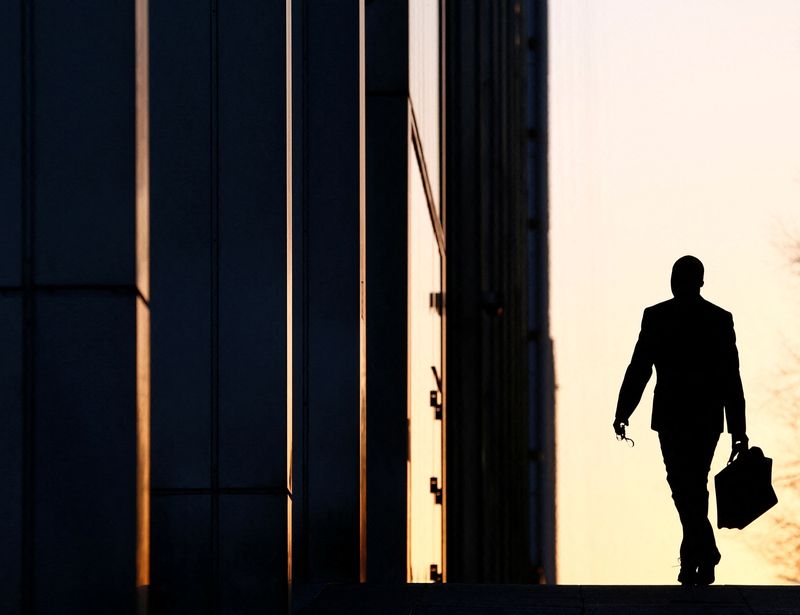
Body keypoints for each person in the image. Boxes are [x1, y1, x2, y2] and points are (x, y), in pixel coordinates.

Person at [613, 255, 748, 586]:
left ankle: (696, 559)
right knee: (687, 485)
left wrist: (623, 412)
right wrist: (623, 410)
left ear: (695, 281)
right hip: (694, 417)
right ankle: (703, 553)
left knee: (685, 485)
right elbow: (641, 368)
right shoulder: (710, 319)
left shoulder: (667, 318)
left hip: (683, 417)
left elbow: (641, 369)